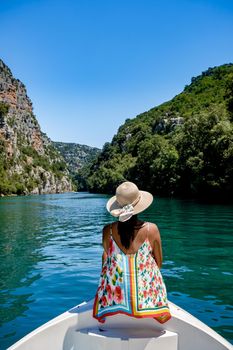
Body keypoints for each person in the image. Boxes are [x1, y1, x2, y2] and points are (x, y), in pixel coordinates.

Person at [93, 181, 171, 324]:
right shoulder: (151, 229)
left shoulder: (107, 230)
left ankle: (114, 303)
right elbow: (159, 264)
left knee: (106, 257)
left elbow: (108, 258)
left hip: (115, 296)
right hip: (146, 300)